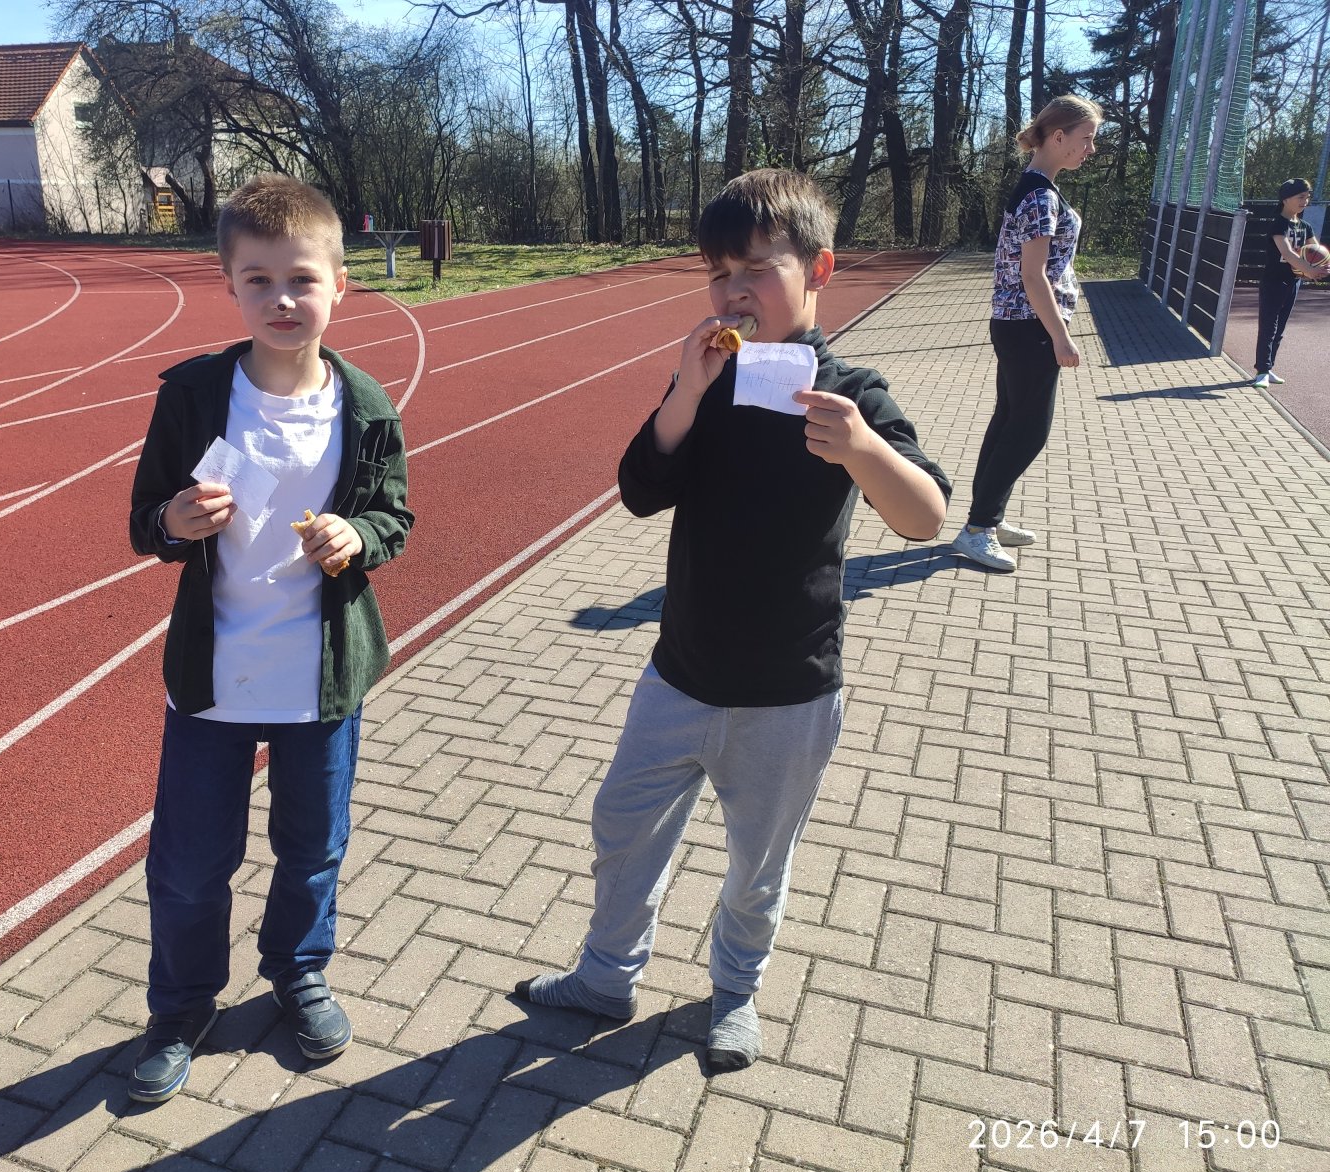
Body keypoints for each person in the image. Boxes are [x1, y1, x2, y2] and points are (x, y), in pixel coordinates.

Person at [514, 169, 949, 1073]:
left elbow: (926, 516)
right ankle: (606, 976)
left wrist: (862, 448)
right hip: (679, 673)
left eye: (757, 268)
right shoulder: (712, 383)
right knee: (622, 828)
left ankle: (736, 992)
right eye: (718, 274)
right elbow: (641, 490)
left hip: (790, 691)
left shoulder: (853, 392)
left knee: (758, 862)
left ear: (818, 269)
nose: (734, 291)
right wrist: (685, 386)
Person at [127, 173, 413, 1104]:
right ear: (231, 286)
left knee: (313, 848)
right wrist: (174, 519)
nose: (282, 299)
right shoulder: (194, 395)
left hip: (320, 679)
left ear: (340, 285)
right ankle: (181, 1007)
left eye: (302, 279)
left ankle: (297, 971)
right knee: (188, 864)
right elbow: (144, 520)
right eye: (259, 280)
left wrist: (356, 537)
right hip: (212, 679)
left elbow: (394, 518)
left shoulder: (367, 406)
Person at [951, 95, 1101, 573]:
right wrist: (1060, 336)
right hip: (1029, 326)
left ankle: (987, 519)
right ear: (1057, 137)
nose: (1091, 149)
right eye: (1086, 139)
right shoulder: (1040, 196)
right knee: (1029, 431)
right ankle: (978, 528)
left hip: (1016, 324)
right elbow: (1034, 277)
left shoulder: (1036, 187)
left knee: (1008, 423)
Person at [1251, 178, 1328, 388]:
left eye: (1307, 197)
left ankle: (1269, 368)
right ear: (1285, 199)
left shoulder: (1305, 226)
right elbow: (1287, 252)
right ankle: (1261, 371)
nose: (1305, 201)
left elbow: (1318, 251)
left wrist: (1321, 267)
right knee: (1269, 327)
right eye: (1300, 197)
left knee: (1280, 329)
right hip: (1273, 282)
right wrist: (1309, 270)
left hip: (1293, 282)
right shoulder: (1279, 224)